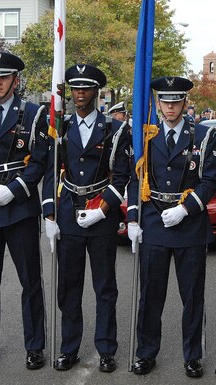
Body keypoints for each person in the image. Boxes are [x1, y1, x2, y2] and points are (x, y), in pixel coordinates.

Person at [126, 76, 216, 379]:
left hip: (189, 225)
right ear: (156, 103)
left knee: (192, 295)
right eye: (164, 101)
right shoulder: (144, 135)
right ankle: (145, 352)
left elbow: (210, 181)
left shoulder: (204, 135)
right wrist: (132, 218)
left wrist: (186, 209)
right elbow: (134, 177)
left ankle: (192, 355)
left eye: (176, 101)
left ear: (184, 103)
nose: (170, 107)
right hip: (153, 220)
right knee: (151, 295)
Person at [42, 64, 131, 373]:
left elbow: (122, 176)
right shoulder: (60, 126)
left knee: (105, 286)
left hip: (100, 213)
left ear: (96, 92)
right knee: (69, 287)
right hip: (68, 212)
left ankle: (106, 349)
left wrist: (103, 209)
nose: (79, 93)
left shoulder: (115, 129)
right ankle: (69, 348)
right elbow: (51, 170)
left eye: (86, 88)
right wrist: (49, 213)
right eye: (75, 88)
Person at [0, 52, 50, 370]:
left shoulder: (33, 114)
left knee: (30, 280)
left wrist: (15, 189)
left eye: (4, 77)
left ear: (16, 80)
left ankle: (35, 346)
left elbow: (41, 160)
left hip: (19, 209)